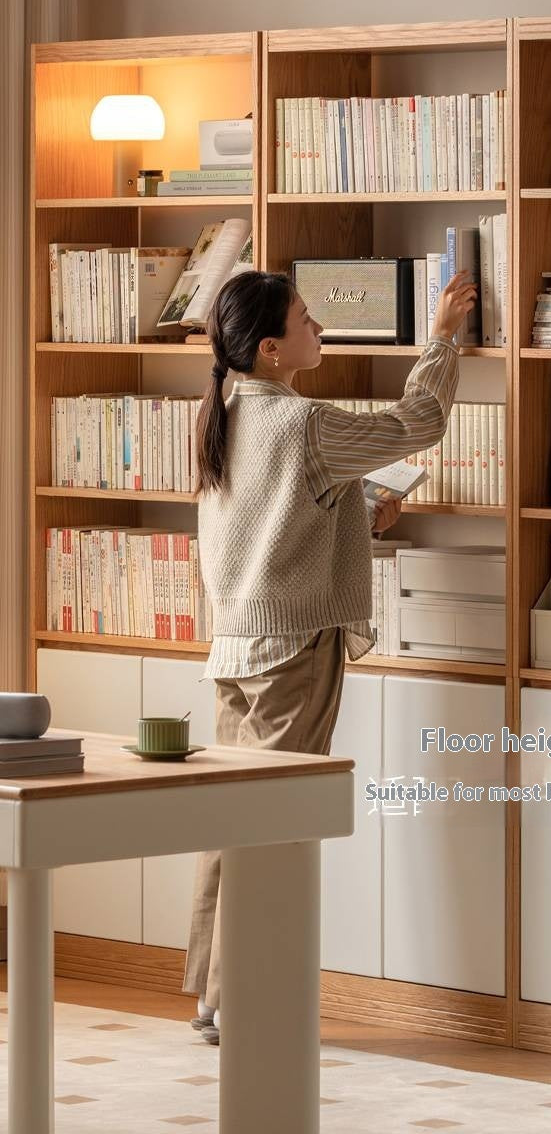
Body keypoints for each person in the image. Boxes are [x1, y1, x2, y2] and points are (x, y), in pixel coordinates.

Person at [183, 267, 476, 1044]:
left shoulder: (223, 411)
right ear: (274, 350)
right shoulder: (304, 422)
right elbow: (417, 423)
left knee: (234, 824)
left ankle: (212, 998)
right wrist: (442, 338)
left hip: (234, 650)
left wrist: (356, 520)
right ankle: (247, 1001)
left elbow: (266, 526)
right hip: (292, 652)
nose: (323, 331)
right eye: (310, 321)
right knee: (275, 828)